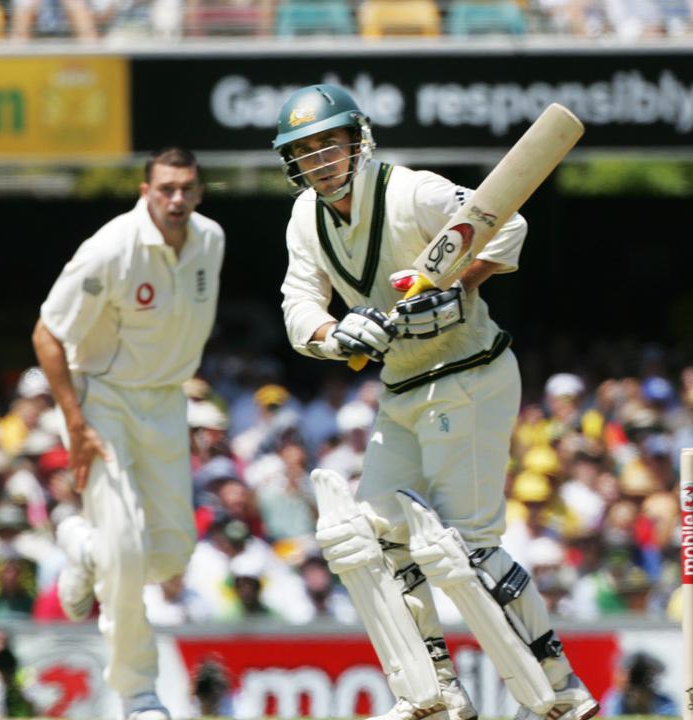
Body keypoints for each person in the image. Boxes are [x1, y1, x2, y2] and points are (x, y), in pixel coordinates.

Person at [272, 83, 597, 720]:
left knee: (463, 549)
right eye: (304, 152)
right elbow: (297, 302)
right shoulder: (305, 217)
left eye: (327, 145)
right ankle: (439, 690)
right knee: (371, 539)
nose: (319, 161)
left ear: (356, 140)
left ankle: (560, 686)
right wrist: (334, 335)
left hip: (469, 372)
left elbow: (508, 223)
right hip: (400, 388)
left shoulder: (412, 191)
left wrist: (458, 286)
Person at [31, 146, 224, 720]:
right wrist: (74, 420)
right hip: (104, 400)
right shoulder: (111, 248)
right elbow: (47, 334)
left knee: (169, 556)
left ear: (199, 191)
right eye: (166, 188)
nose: (177, 199)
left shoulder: (210, 240)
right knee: (126, 549)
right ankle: (138, 694)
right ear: (145, 191)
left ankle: (79, 545)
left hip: (165, 403)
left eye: (187, 188)